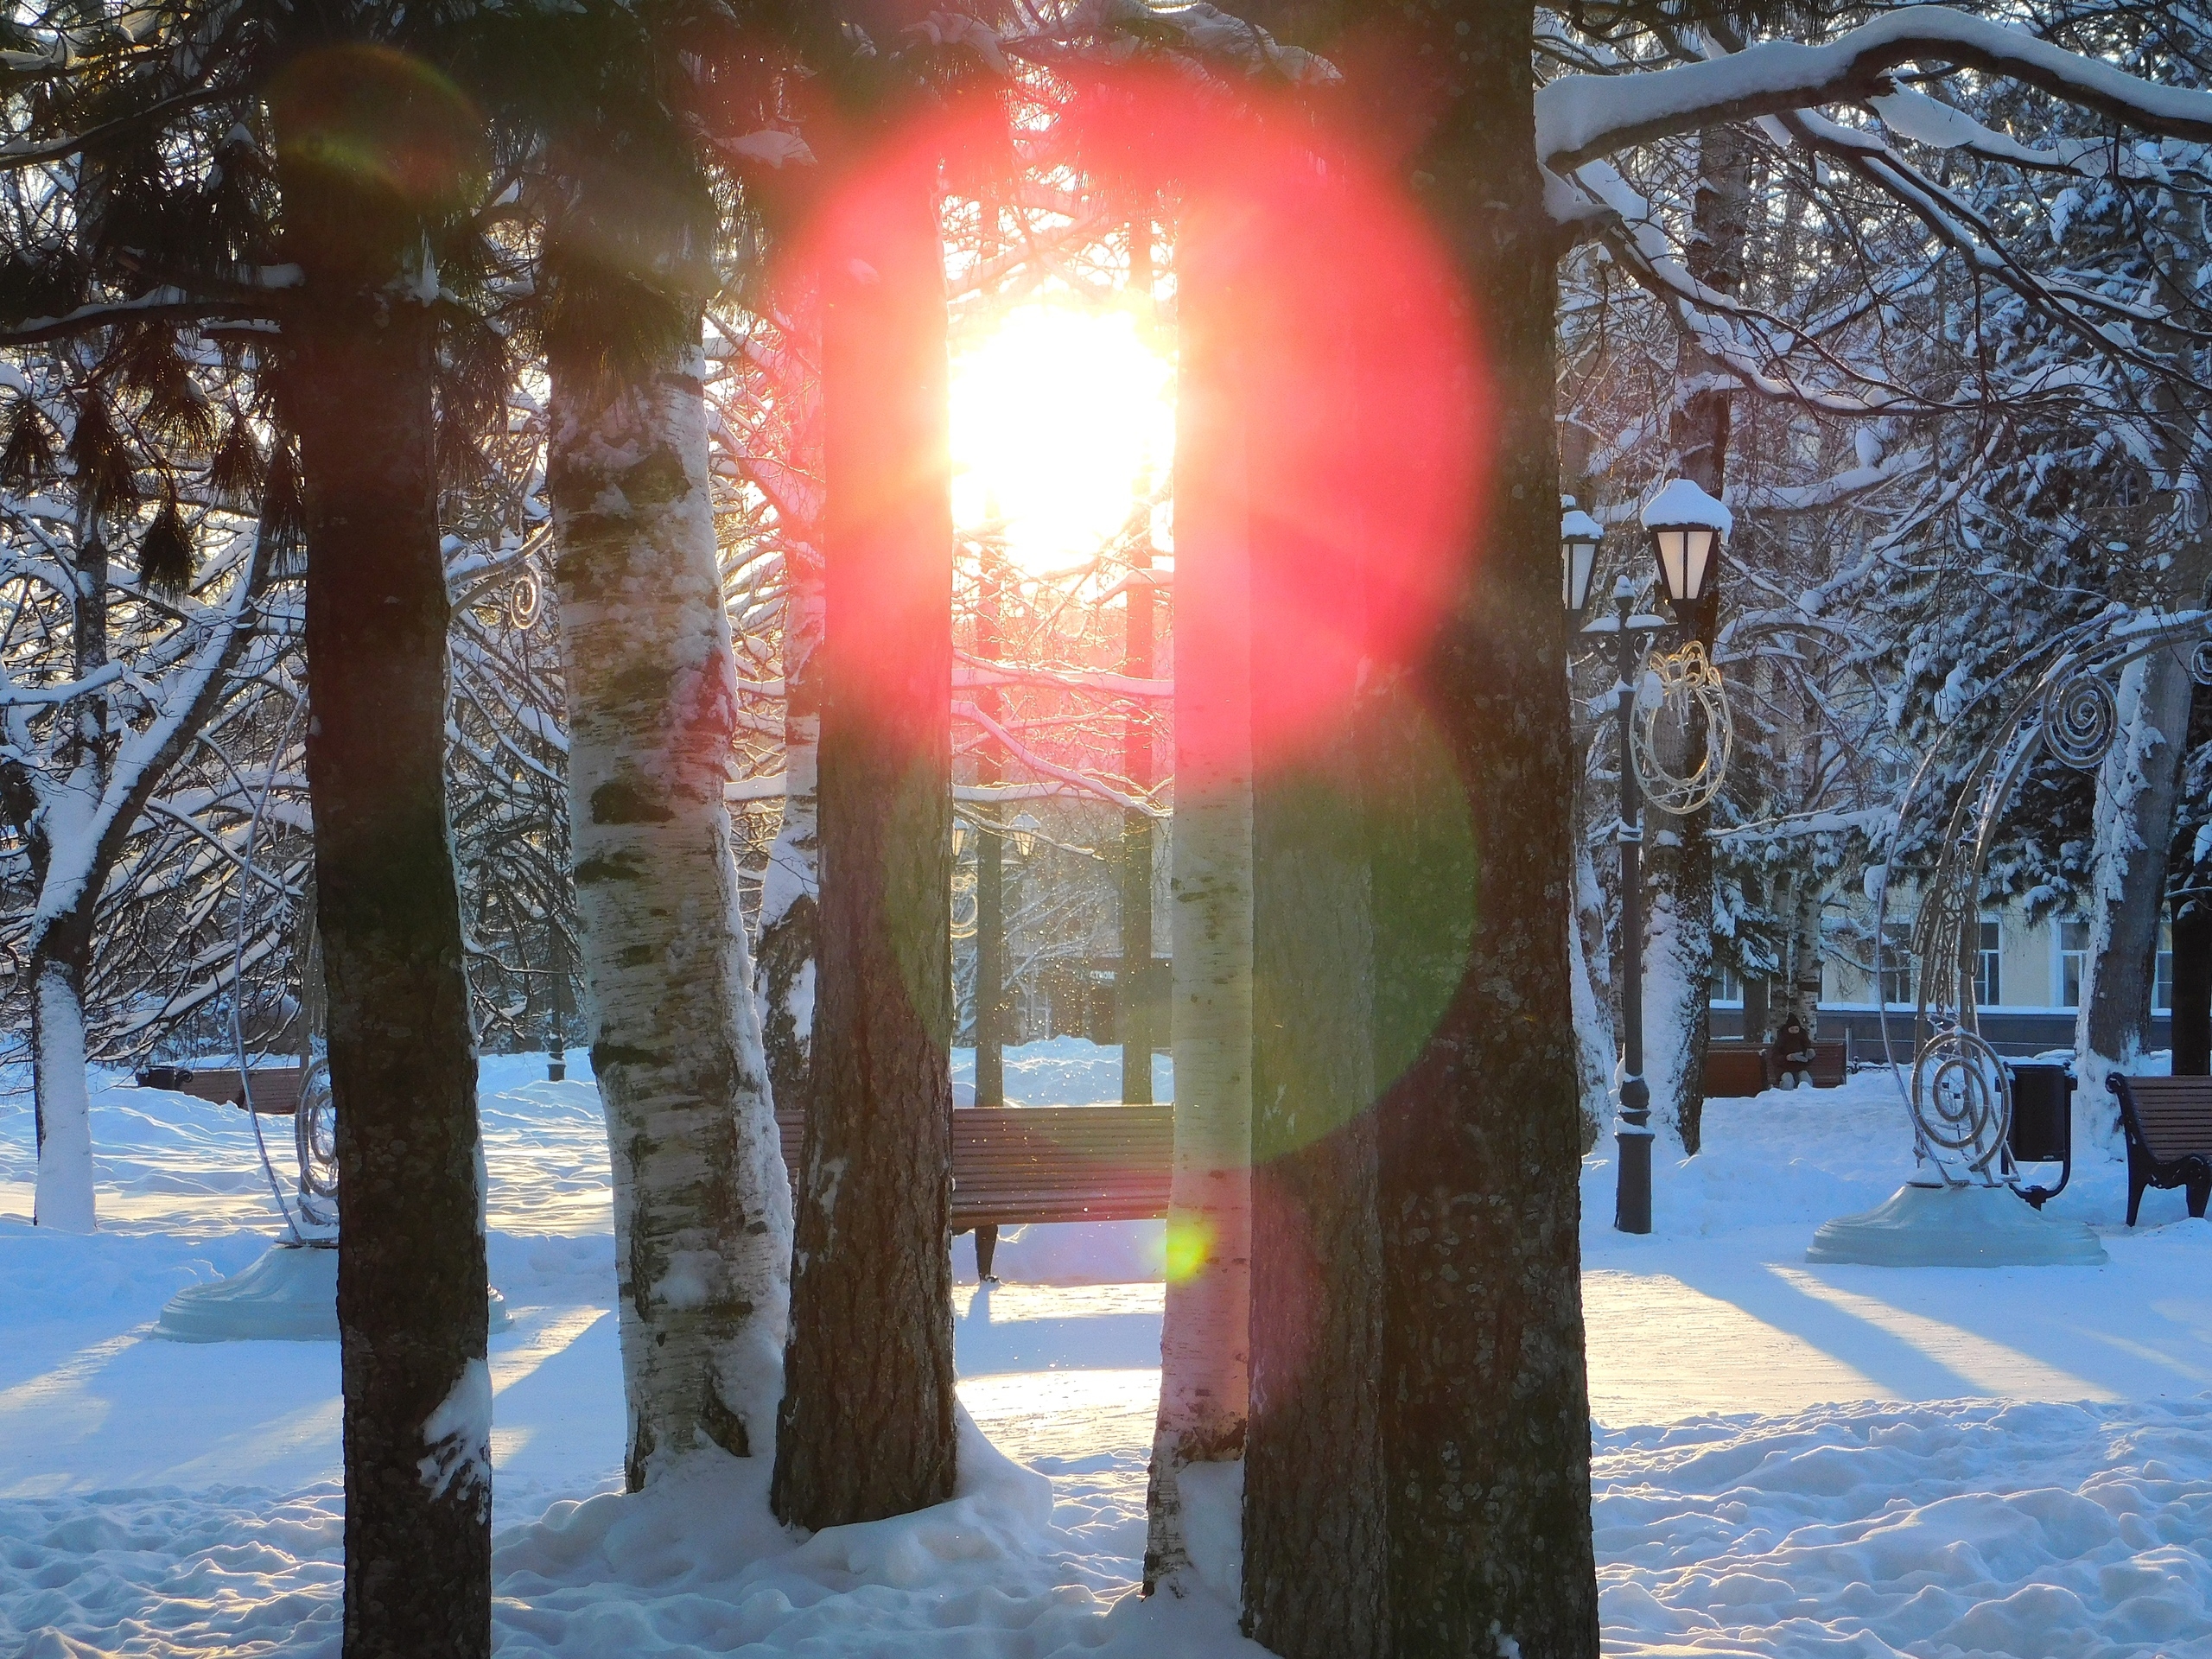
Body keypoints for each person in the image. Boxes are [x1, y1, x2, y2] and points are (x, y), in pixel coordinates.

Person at [1774, 1013, 1815, 1090]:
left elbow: (1808, 1057)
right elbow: (1775, 1058)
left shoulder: (1803, 1039)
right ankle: (1786, 1098)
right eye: (1792, 1029)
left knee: (1806, 1079)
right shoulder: (1781, 1040)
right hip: (1785, 1069)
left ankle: (1807, 1098)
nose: (1794, 1031)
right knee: (1787, 1080)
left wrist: (1810, 1056)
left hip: (1801, 1068)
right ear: (1788, 1029)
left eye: (1796, 1029)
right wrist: (1786, 1058)